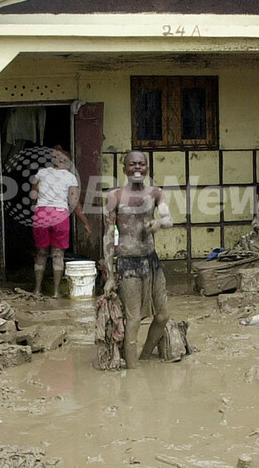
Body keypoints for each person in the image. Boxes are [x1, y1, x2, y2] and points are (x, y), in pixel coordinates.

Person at [103, 151, 173, 369]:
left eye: (141, 164)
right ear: (124, 169)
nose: (137, 168)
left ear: (147, 168)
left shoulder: (156, 193)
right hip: (127, 263)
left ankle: (144, 357)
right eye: (132, 164)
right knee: (133, 319)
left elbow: (168, 218)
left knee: (162, 315)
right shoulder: (114, 196)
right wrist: (109, 275)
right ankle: (133, 371)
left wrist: (159, 224)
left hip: (151, 262)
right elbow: (107, 237)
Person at [30, 147, 91, 297]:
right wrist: (85, 222)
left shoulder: (41, 173)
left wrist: (37, 210)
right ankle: (56, 292)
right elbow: (74, 203)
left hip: (42, 214)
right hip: (60, 215)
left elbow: (33, 195)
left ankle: (37, 290)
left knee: (41, 254)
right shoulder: (70, 177)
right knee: (58, 254)